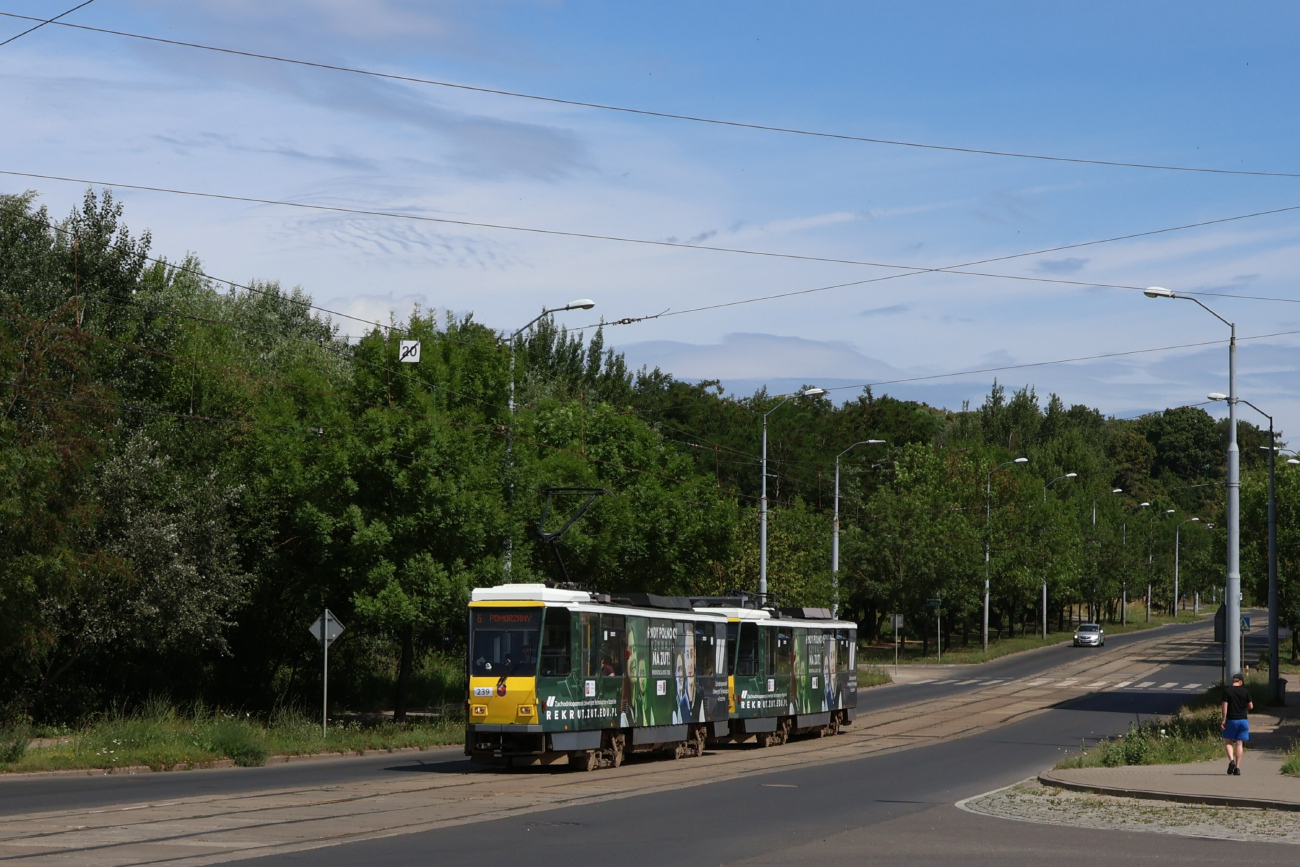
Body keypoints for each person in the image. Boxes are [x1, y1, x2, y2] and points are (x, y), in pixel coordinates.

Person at [1221, 672, 1253, 775]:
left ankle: (1231, 761)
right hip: (1243, 720)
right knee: (1239, 744)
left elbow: (1224, 706)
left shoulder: (1227, 691)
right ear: (1241, 682)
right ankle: (1237, 768)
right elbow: (1251, 706)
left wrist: (1224, 720)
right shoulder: (1245, 691)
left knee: (1228, 742)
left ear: (1233, 681)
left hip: (1231, 720)